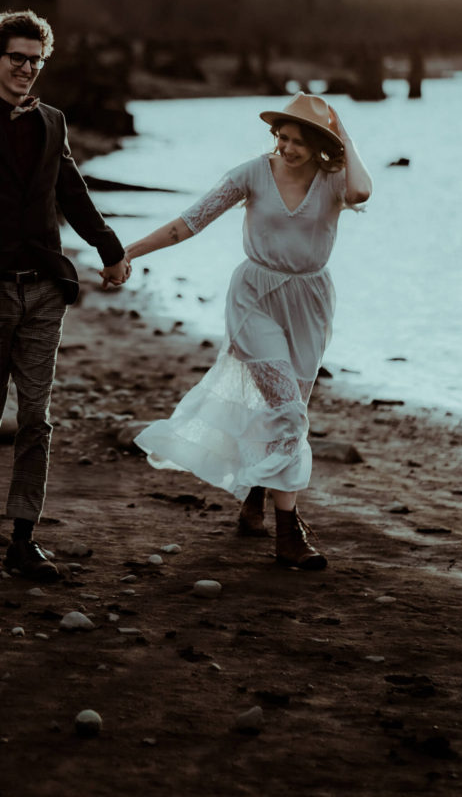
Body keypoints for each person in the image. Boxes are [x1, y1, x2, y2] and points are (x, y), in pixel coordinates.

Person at [0, 9, 130, 581]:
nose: (27, 70)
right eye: (17, 58)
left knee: (36, 417)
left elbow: (73, 192)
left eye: (36, 61)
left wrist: (111, 250)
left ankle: (23, 538)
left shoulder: (53, 122)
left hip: (43, 292)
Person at [125, 93, 372, 570]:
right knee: (287, 410)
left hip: (310, 303)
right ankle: (289, 533)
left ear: (322, 143)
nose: (288, 148)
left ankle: (256, 492)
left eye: (300, 140)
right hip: (255, 298)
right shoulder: (251, 174)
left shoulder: (334, 179)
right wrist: (130, 252)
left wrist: (344, 133)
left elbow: (362, 192)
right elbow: (191, 222)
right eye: (282, 137)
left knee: (288, 409)